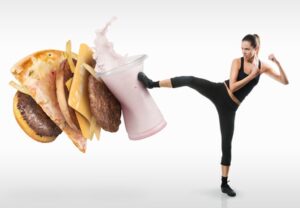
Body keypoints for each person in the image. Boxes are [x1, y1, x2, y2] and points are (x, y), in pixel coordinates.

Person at [137, 34, 289, 197]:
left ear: (256, 49)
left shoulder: (263, 67)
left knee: (227, 144)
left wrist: (277, 63)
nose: (244, 52)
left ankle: (224, 184)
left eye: (247, 49)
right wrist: (252, 76)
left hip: (230, 108)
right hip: (219, 92)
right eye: (242, 48)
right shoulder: (237, 62)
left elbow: (284, 81)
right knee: (191, 80)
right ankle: (151, 84)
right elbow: (232, 87)